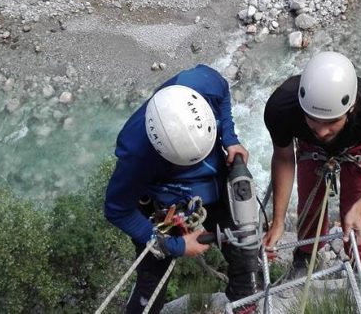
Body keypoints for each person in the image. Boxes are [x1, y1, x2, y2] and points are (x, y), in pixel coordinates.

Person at [105, 64, 258, 314]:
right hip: (163, 205)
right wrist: (176, 246)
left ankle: (243, 304)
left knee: (244, 251)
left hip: (215, 185)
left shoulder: (202, 83)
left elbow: (224, 94)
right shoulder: (136, 155)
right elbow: (116, 210)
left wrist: (230, 138)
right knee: (152, 280)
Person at [261, 51, 361, 270]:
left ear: (351, 108)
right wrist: (278, 222)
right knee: (309, 202)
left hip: (357, 146)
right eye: (314, 120)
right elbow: (284, 159)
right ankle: (307, 255)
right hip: (308, 145)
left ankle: (359, 264)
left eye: (332, 121)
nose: (323, 131)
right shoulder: (281, 107)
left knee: (354, 209)